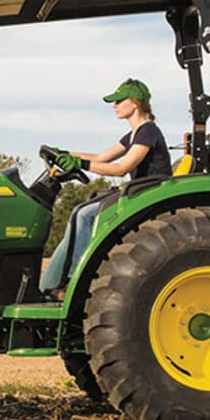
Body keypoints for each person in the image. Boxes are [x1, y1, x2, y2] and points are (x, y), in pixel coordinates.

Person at [40, 78, 171, 293]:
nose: (114, 105)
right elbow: (102, 157)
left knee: (86, 215)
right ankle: (63, 278)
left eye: (119, 100)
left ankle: (76, 279)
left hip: (147, 192)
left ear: (135, 102)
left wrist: (80, 164)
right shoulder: (133, 135)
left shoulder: (148, 132)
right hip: (138, 191)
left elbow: (121, 168)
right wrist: (66, 154)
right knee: (79, 211)